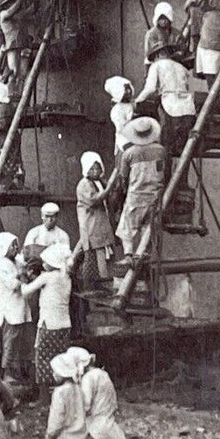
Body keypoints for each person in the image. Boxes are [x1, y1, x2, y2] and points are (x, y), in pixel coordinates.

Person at [109, 114, 166, 262]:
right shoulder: (161, 150)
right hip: (155, 194)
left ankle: (128, 255)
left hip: (136, 195)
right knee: (148, 224)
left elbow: (123, 177)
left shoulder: (129, 154)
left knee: (126, 227)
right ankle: (141, 252)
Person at [22, 243, 74, 402]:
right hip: (65, 324)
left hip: (48, 324)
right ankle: (63, 393)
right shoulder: (66, 277)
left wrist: (23, 279)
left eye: (46, 262)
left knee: (43, 358)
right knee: (60, 357)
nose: (44, 264)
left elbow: (25, 292)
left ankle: (44, 398)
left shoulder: (47, 277)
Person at [136, 42, 200, 156]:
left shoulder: (156, 66)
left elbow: (150, 88)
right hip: (187, 105)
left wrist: (137, 101)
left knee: (167, 140)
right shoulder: (181, 67)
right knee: (183, 143)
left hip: (171, 104)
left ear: (158, 55)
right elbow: (188, 87)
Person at [0, 231, 33, 387]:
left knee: (23, 342)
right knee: (11, 342)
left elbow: (24, 276)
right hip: (11, 309)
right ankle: (8, 374)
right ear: (3, 248)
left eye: (16, 244)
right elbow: (13, 285)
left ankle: (21, 374)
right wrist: (23, 275)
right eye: (12, 245)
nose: (16, 247)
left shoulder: (16, 261)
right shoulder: (1, 265)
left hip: (21, 307)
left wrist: (25, 272)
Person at [41, 349, 89, 439]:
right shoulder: (78, 389)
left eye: (55, 372)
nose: (53, 374)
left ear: (62, 373)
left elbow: (56, 421)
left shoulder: (60, 393)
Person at [76, 348, 127, 439]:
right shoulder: (103, 374)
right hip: (105, 422)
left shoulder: (88, 378)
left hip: (99, 426)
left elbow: (86, 405)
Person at [76, 153, 116, 281]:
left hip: (102, 226)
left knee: (107, 255)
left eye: (97, 168)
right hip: (92, 226)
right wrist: (108, 188)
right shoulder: (84, 184)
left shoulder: (100, 182)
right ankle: (102, 281)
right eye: (91, 169)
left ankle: (109, 279)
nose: (95, 171)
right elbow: (93, 200)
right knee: (98, 257)